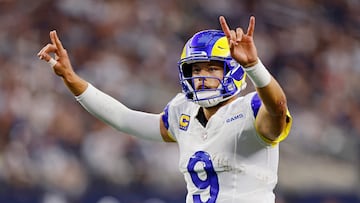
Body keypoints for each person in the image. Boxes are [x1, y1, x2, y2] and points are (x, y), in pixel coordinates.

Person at [38, 15, 292, 203]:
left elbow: (278, 107)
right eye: (196, 69)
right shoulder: (184, 113)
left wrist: (254, 66)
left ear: (234, 70)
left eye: (212, 68)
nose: (202, 77)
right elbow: (124, 119)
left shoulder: (251, 109)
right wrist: (72, 79)